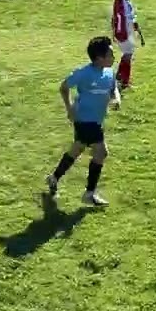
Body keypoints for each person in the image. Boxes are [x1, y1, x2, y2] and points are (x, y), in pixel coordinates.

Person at [45, 36, 121, 208]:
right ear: (99, 58)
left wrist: (116, 98)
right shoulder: (84, 73)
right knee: (101, 152)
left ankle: (54, 177)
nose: (113, 57)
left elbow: (113, 86)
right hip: (85, 120)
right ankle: (89, 193)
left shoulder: (109, 72)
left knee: (78, 148)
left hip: (96, 120)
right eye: (110, 54)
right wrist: (69, 108)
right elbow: (64, 87)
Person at [111, 0, 145, 91]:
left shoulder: (125, 1)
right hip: (124, 32)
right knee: (128, 55)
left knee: (127, 55)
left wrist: (136, 27)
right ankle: (124, 81)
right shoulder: (120, 3)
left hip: (128, 31)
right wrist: (120, 33)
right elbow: (119, 19)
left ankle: (119, 78)